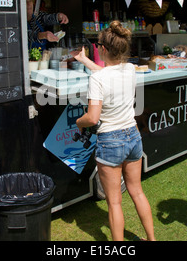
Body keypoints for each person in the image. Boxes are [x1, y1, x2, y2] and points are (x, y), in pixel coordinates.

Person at [71, 21, 155, 241]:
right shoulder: (129, 68)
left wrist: (79, 123)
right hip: (133, 136)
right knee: (137, 192)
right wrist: (85, 60)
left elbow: (92, 118)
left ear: (104, 49)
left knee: (114, 202)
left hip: (111, 140)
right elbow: (108, 75)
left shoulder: (98, 79)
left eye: (98, 46)